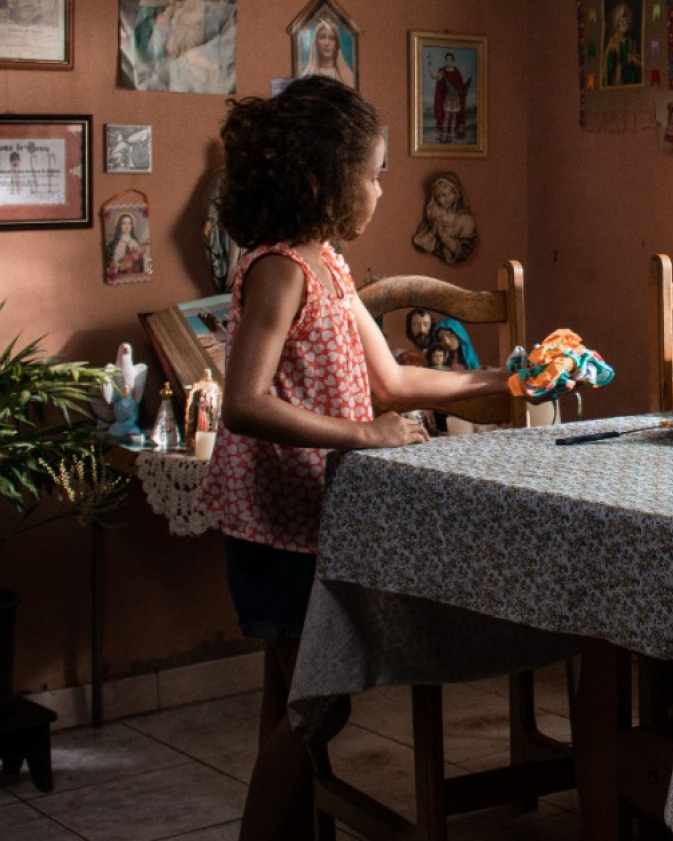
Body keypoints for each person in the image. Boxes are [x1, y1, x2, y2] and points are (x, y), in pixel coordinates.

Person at [198, 75, 509, 841]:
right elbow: (244, 399)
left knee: (295, 703)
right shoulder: (279, 268)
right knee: (319, 703)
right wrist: (362, 434)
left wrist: (507, 379)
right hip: (277, 527)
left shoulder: (328, 262)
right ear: (325, 178)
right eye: (372, 172)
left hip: (316, 519)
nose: (379, 186)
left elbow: (392, 380)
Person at [410, 172, 477, 264]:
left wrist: (442, 235)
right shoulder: (433, 216)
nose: (441, 200)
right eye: (438, 196)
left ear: (455, 194)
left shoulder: (466, 220)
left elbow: (462, 252)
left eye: (445, 195)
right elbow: (421, 242)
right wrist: (433, 231)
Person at [298, 17, 355, 89]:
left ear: (337, 44)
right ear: (316, 43)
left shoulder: (348, 77)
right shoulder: (306, 76)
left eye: (331, 38)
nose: (327, 43)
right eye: (322, 37)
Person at [431, 52, 470, 141]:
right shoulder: (443, 71)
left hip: (455, 97)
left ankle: (451, 134)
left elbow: (460, 85)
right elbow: (434, 76)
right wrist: (430, 65)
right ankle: (444, 135)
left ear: (452, 60)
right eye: (447, 59)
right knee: (447, 116)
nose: (448, 61)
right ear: (446, 60)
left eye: (450, 59)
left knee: (454, 117)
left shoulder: (456, 71)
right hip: (448, 97)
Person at [603, 2, 642, 87]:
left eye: (627, 18)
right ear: (617, 22)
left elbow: (640, 65)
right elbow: (608, 71)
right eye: (623, 18)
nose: (626, 21)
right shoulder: (612, 44)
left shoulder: (632, 43)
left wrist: (633, 61)